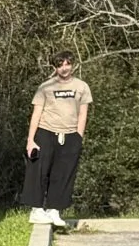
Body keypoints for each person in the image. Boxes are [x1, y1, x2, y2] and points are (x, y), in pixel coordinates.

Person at [25, 51, 92, 211]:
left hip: (70, 135)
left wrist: (78, 137)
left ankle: (55, 210)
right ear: (55, 67)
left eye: (67, 64)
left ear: (72, 65)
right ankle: (37, 209)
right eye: (60, 65)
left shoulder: (81, 87)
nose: (64, 68)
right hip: (46, 132)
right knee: (40, 171)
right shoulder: (46, 87)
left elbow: (83, 113)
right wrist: (31, 140)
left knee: (63, 174)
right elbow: (36, 113)